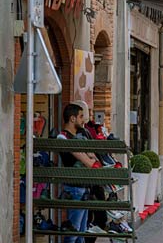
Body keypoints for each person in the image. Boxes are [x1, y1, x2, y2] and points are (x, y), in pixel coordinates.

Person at [58, 103, 99, 242]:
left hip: (83, 187)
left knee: (81, 234)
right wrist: (89, 158)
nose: (83, 120)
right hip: (74, 188)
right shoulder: (63, 137)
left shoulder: (80, 136)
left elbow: (93, 157)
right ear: (72, 118)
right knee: (73, 233)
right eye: (81, 117)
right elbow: (90, 162)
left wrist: (90, 157)